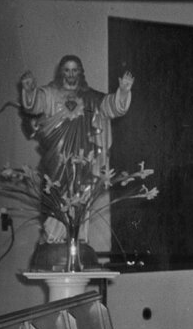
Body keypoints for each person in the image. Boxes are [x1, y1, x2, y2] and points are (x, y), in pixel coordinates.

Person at [19, 55, 134, 243]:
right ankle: (53, 237)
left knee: (81, 194)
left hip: (82, 158)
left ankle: (77, 237)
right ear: (61, 72)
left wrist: (122, 92)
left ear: (80, 72)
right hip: (56, 157)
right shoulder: (50, 93)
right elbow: (35, 104)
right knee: (55, 193)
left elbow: (109, 106)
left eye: (74, 70)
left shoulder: (90, 97)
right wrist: (30, 90)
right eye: (67, 70)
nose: (71, 74)